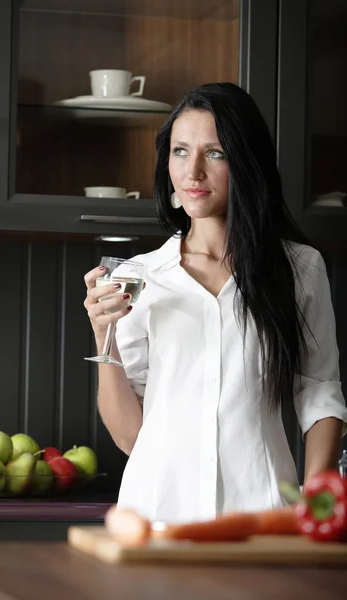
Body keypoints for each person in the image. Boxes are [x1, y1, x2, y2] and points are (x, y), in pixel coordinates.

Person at [84, 82, 347, 524]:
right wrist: (103, 336)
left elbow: (319, 391)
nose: (193, 173)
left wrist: (314, 503)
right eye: (180, 151)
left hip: (261, 515)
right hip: (156, 516)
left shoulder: (300, 268)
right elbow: (131, 437)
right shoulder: (138, 276)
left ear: (246, 162)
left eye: (216, 153)